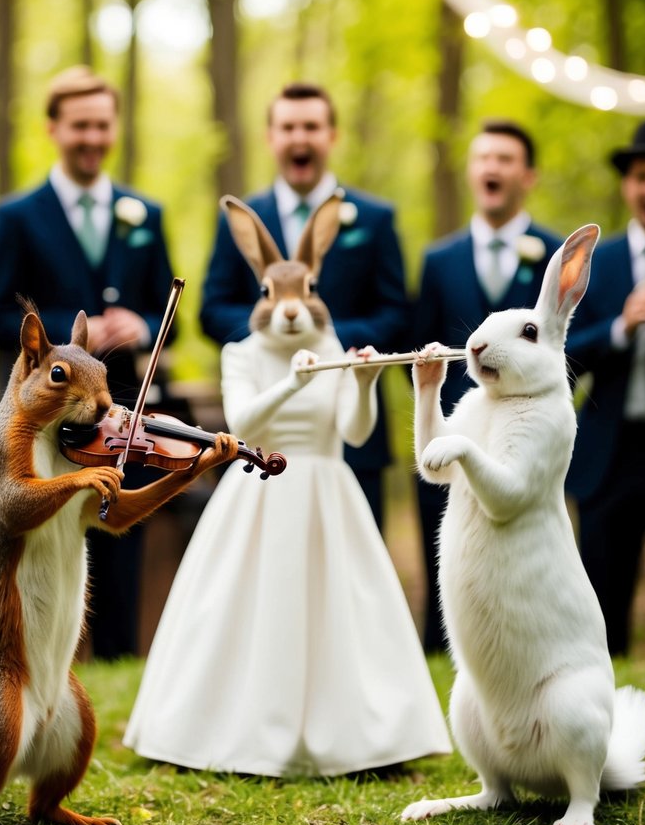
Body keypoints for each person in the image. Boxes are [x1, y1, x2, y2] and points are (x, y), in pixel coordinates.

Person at [125, 195, 451, 774]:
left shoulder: (332, 348)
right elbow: (244, 425)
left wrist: (365, 382)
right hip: (260, 487)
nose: (293, 311)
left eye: (305, 295)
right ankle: (227, 732)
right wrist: (296, 383)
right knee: (247, 606)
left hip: (329, 489)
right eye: (278, 297)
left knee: (345, 609)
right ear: (264, 295)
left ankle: (360, 739)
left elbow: (353, 432)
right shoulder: (240, 353)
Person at [0, 65, 176, 659]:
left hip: (119, 414)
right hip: (44, 419)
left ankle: (119, 659)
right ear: (53, 128)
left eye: (101, 124)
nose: (92, 137)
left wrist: (142, 325)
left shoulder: (144, 212)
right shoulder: (17, 216)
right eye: (79, 125)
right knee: (45, 548)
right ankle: (40, 661)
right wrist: (76, 334)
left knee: (119, 528)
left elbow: (172, 321)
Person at [200, 82, 411, 529]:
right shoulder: (241, 216)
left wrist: (328, 347)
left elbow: (395, 313)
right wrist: (272, 337)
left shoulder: (375, 219)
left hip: (351, 431)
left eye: (312, 127)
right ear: (271, 137)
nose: (300, 138)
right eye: (289, 127)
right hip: (265, 435)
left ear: (331, 136)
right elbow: (213, 307)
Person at [414, 120, 562, 650]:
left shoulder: (550, 252)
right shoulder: (438, 259)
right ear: (472, 171)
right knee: (450, 565)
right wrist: (428, 387)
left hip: (520, 438)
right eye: (483, 158)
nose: (492, 168)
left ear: (527, 175)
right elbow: (422, 333)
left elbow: (562, 343)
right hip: (460, 420)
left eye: (505, 159)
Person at [566, 119, 645, 656]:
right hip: (606, 462)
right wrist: (619, 326)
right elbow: (562, 352)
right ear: (626, 185)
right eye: (641, 177)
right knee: (600, 613)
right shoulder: (596, 261)